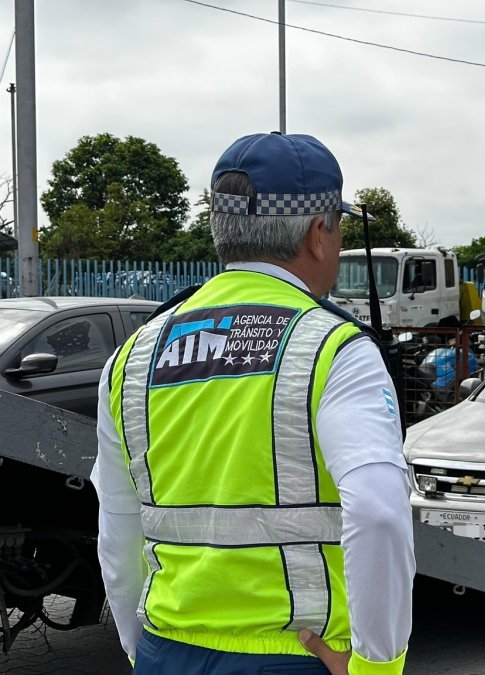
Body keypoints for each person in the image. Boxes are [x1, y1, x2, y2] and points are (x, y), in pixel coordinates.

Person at [92, 132, 415, 674]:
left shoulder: (133, 356)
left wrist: (137, 646)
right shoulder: (334, 348)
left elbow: (117, 522)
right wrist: (376, 666)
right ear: (317, 235)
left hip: (165, 651)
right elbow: (379, 512)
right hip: (295, 656)